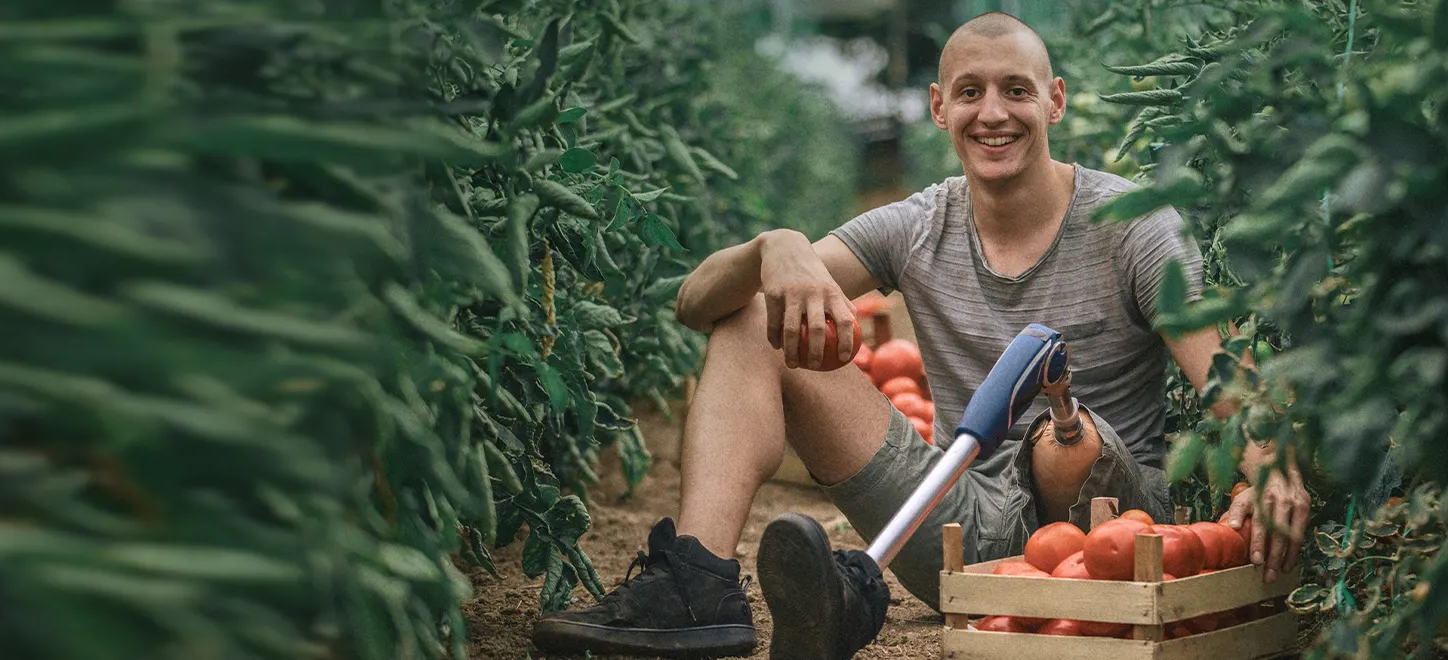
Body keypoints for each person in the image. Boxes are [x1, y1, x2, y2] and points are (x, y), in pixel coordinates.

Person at [526, 11, 1316, 660]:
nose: (993, 112)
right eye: (969, 92)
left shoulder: (1132, 225)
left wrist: (1271, 465)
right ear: (940, 108)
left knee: (1059, 432)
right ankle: (694, 585)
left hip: (1107, 535)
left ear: (1056, 101)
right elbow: (696, 303)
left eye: (1016, 90)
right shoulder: (918, 225)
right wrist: (775, 248)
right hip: (953, 528)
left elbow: (1221, 375)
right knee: (748, 316)